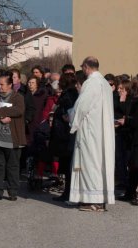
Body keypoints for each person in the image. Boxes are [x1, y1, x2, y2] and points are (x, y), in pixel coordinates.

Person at [68, 57, 115, 212]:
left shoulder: (91, 83)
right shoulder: (105, 84)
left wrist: (72, 120)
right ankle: (98, 199)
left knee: (90, 164)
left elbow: (81, 106)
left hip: (90, 130)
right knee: (99, 164)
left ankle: (93, 201)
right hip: (102, 130)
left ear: (87, 67)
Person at [0, 74, 26, 201]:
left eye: (2, 84)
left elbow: (19, 110)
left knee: (13, 166)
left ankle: (12, 191)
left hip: (12, 139)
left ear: (10, 85)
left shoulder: (17, 97)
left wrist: (0, 111)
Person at [49, 73, 79, 202]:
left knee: (67, 165)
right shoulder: (71, 94)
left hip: (65, 135)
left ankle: (68, 193)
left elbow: (67, 115)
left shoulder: (68, 95)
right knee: (67, 165)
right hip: (65, 134)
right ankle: (67, 192)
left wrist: (60, 114)